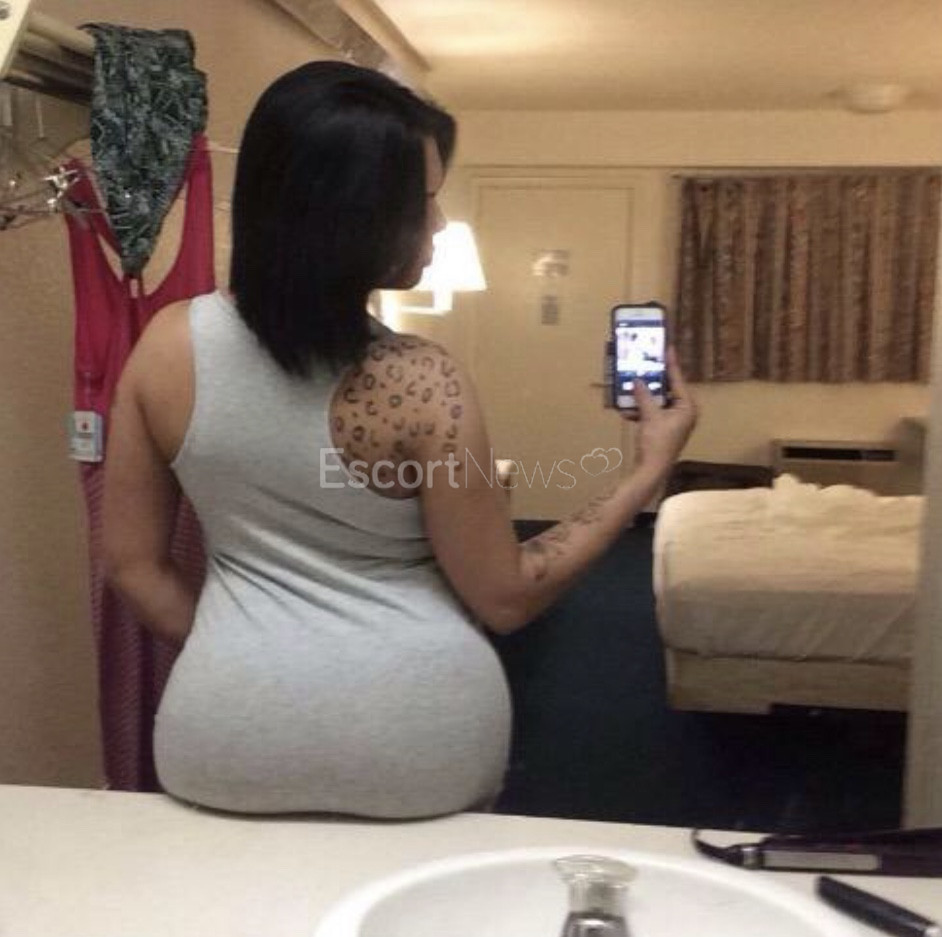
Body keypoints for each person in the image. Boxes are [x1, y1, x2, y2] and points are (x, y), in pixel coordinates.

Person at [102, 61, 698, 819]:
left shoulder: (165, 347)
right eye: (423, 202)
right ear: (349, 217)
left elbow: (131, 565)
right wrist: (647, 471)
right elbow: (507, 593)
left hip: (224, 734)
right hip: (415, 737)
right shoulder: (421, 380)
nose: (440, 225)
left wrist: (245, 647)